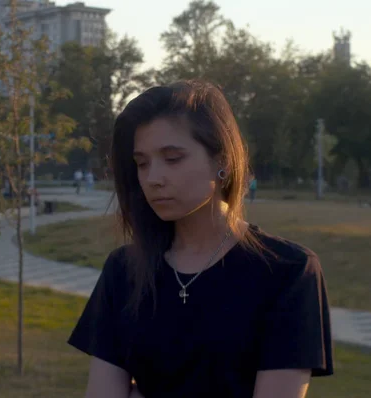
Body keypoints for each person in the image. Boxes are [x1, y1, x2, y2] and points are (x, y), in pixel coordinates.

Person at [68, 80, 333, 398]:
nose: (153, 178)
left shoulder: (287, 272)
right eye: (142, 163)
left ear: (221, 160)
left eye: (172, 158)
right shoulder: (123, 271)